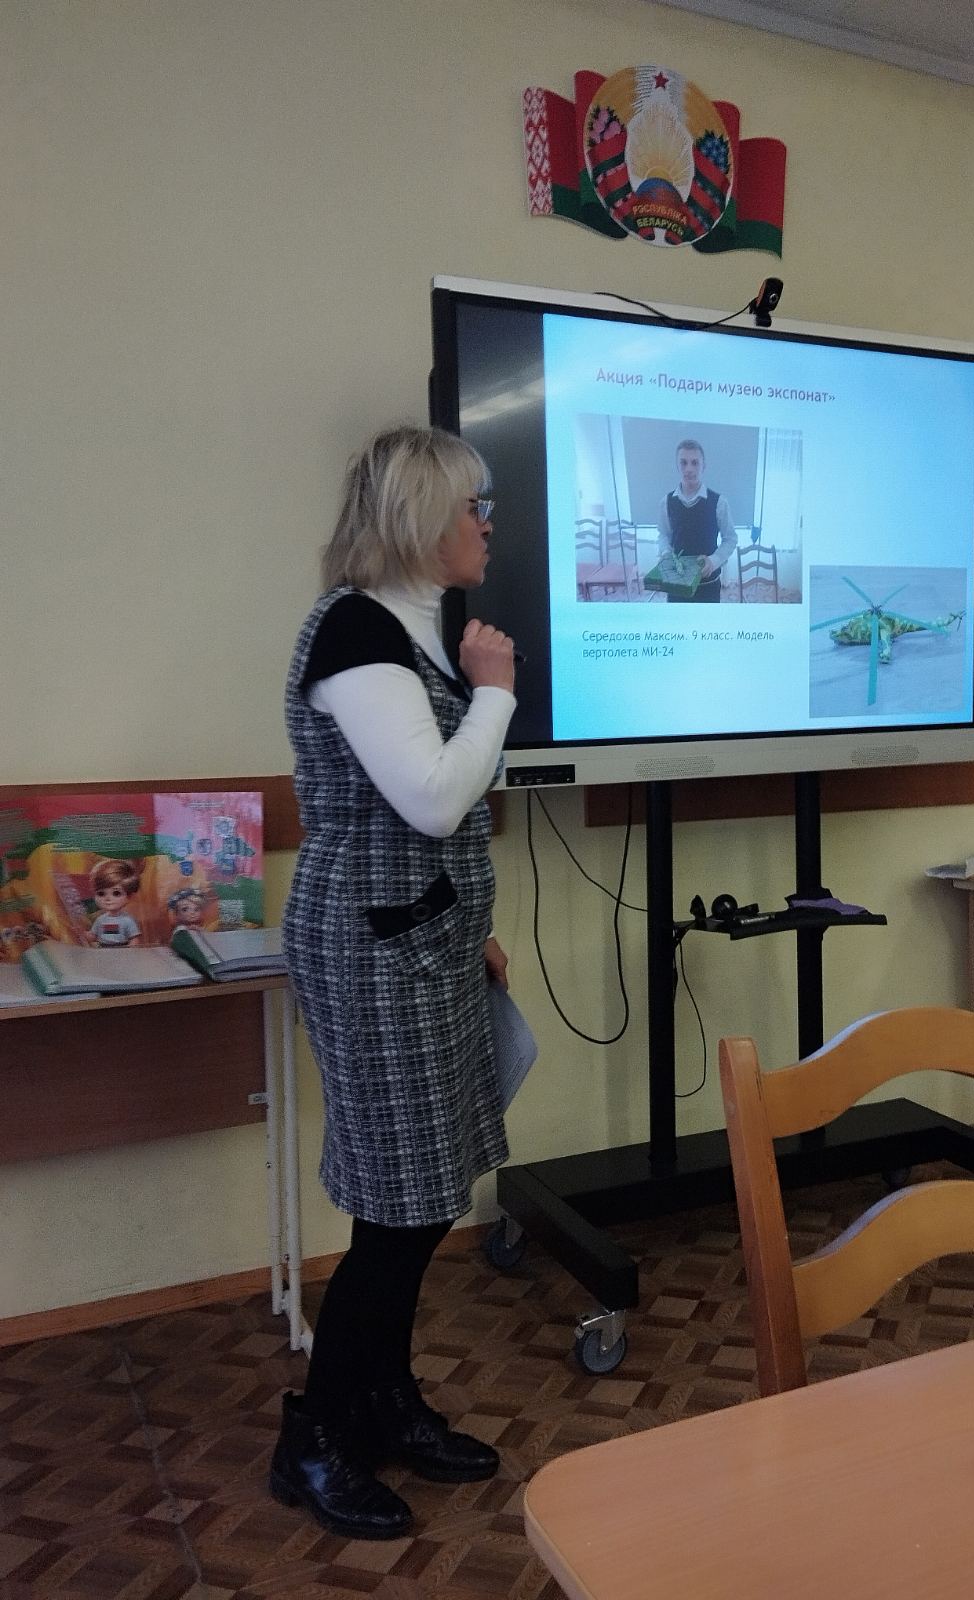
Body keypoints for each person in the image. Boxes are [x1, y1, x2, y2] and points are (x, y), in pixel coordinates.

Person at [272, 424, 517, 1541]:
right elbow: (429, 799)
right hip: (373, 951)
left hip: (422, 939)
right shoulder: (358, 629)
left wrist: (472, 930)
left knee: (421, 1198)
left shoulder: (411, 629)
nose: (486, 524)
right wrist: (495, 693)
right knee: (397, 1208)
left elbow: (424, 813)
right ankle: (315, 1436)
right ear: (421, 516)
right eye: (473, 505)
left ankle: (384, 1400)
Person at [655, 438, 737, 603]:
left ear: (703, 466)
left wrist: (713, 561)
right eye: (683, 463)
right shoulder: (666, 502)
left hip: (708, 585)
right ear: (677, 466)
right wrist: (666, 553)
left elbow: (730, 539)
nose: (689, 469)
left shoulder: (719, 502)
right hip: (677, 584)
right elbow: (663, 534)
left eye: (695, 463)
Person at [87, 859, 142, 946]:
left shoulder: (127, 920)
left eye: (116, 893)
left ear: (129, 896)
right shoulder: (100, 920)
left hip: (121, 948)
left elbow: (134, 938)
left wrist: (132, 949)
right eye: (101, 893)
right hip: (103, 948)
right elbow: (93, 936)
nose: (108, 898)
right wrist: (80, 933)